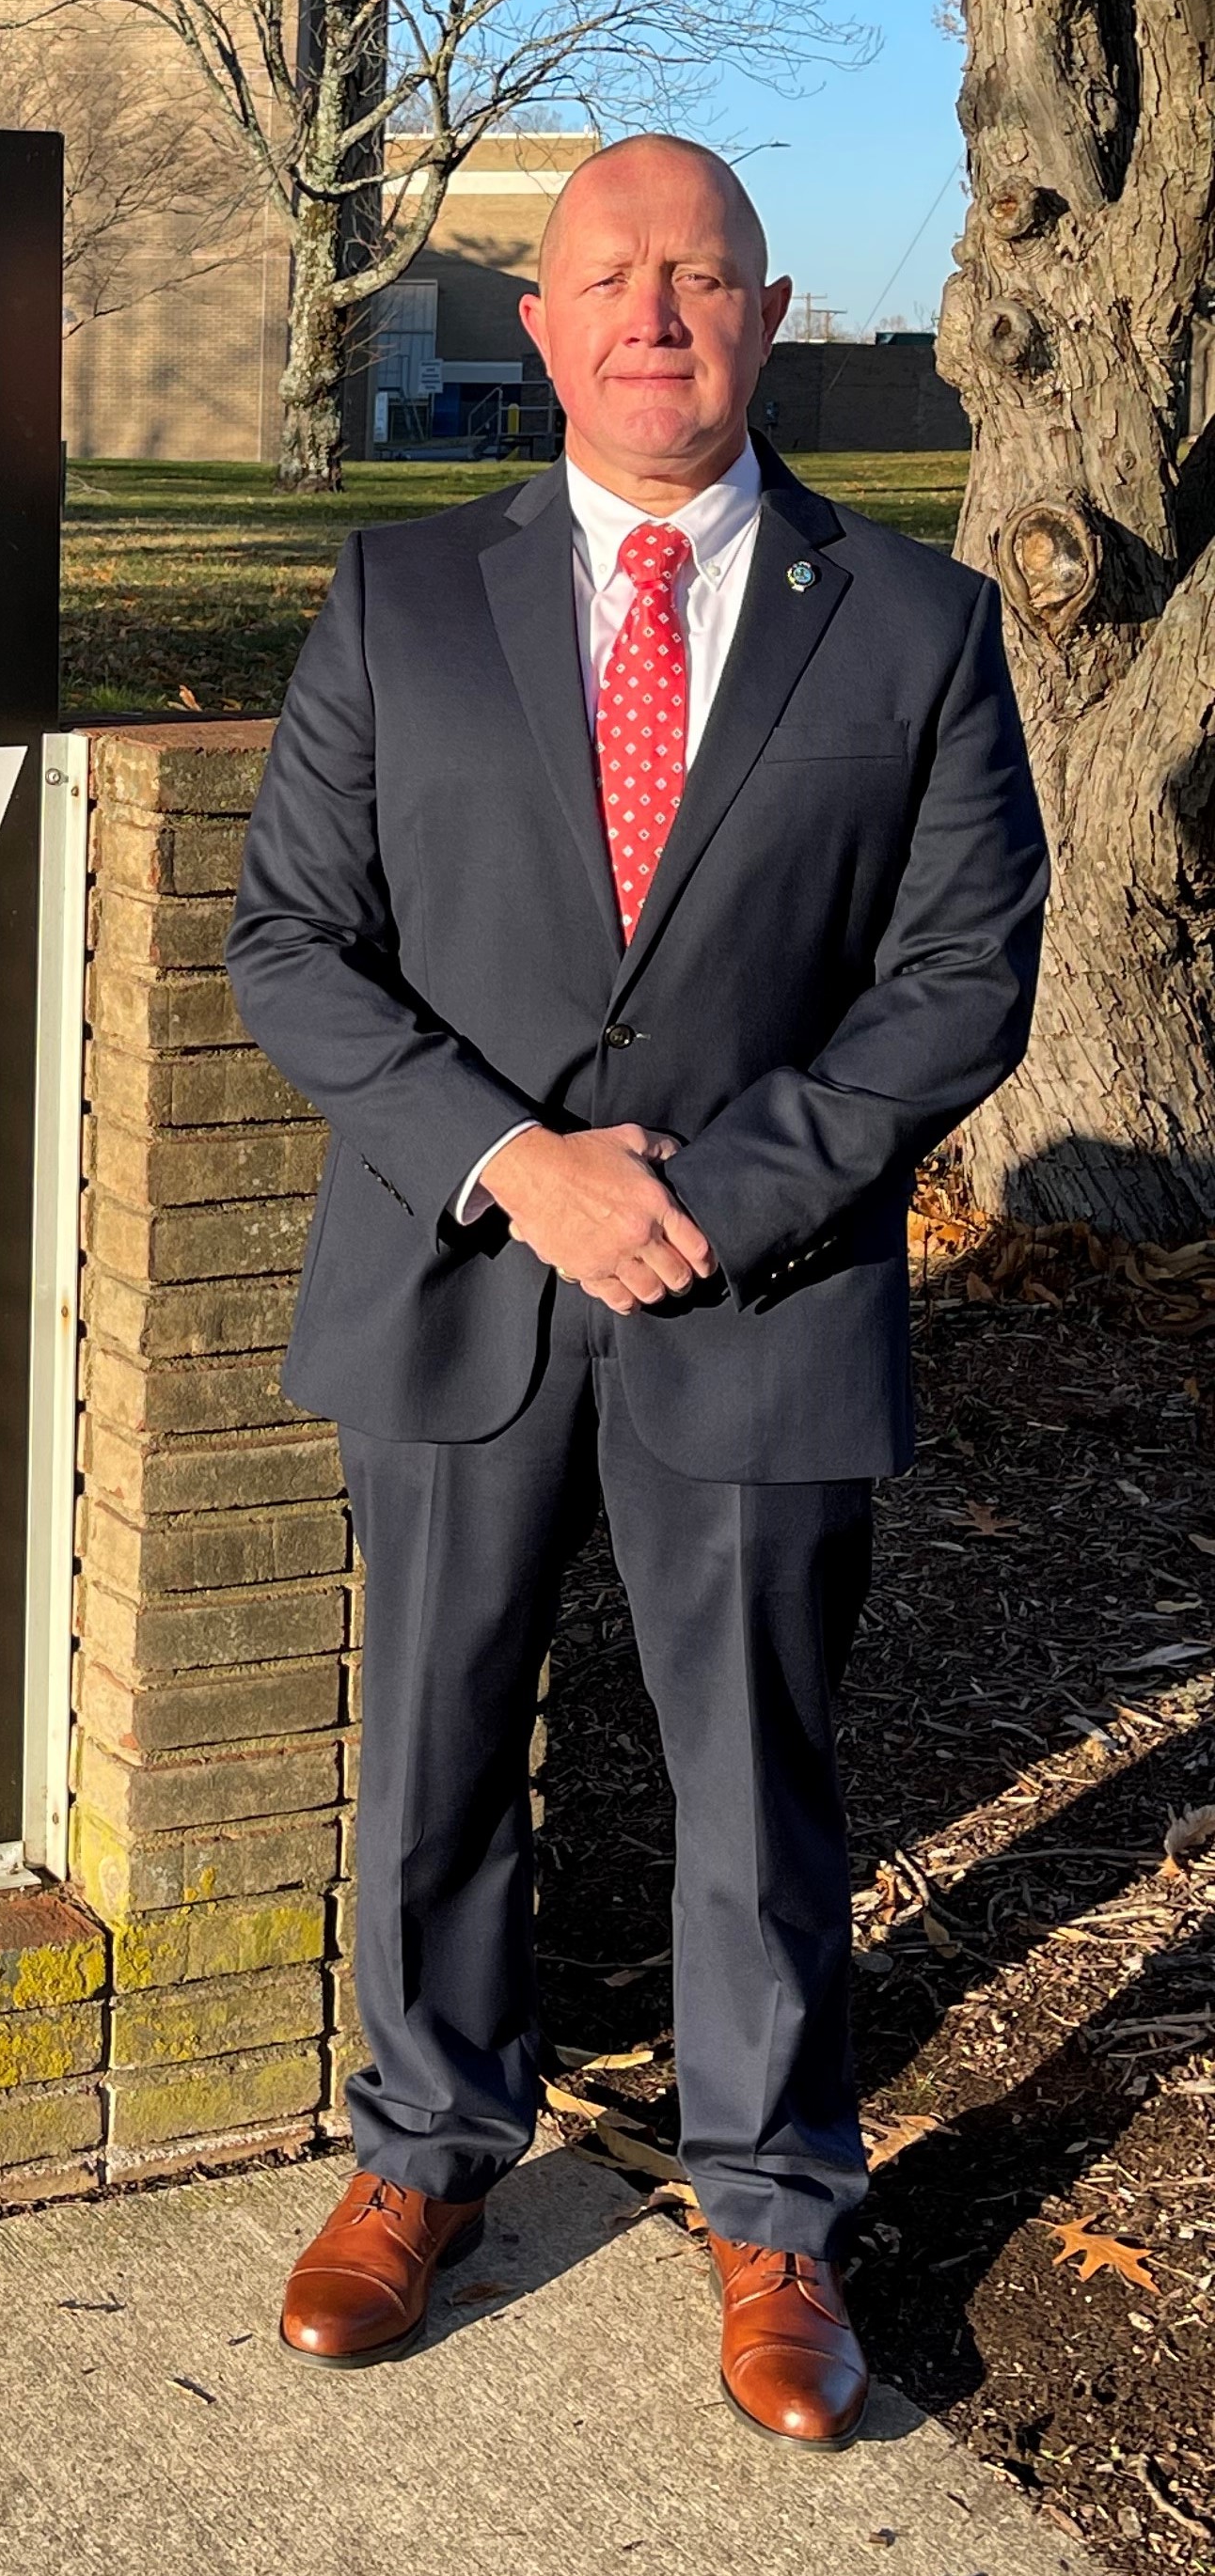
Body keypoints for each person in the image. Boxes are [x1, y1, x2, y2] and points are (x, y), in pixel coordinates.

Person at [226, 136, 1047, 2446]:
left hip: (754, 1291)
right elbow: (292, 938)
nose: (656, 312)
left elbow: (958, 976)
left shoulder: (916, 625)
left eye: (700, 276)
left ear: (771, 313)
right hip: (454, 1279)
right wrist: (518, 1165)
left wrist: (704, 1197)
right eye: (612, 274)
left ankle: (779, 2210)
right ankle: (419, 2156)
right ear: (542, 320)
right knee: (433, 1746)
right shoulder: (398, 604)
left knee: (758, 1775)